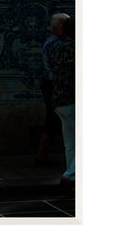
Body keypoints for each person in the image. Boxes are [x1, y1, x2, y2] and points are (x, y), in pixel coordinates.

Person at [42, 11, 75, 187]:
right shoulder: (71, 47)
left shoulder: (57, 46)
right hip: (69, 96)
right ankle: (70, 174)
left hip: (59, 97)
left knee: (70, 143)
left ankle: (72, 173)